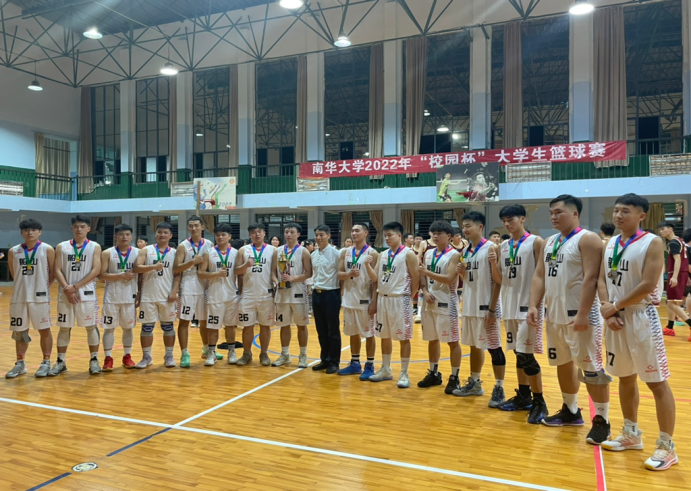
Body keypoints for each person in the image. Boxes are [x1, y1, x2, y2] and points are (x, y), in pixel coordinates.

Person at [598, 193, 678, 471]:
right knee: (625, 377)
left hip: (642, 317)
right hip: (615, 317)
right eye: (616, 210)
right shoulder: (610, 243)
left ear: (641, 216)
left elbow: (648, 284)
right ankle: (631, 434)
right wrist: (608, 310)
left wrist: (614, 306)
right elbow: (602, 279)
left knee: (656, 382)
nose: (618, 215)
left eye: (626, 211)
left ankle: (667, 447)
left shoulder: (652, 242)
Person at [527, 194, 611, 445]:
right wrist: (533, 305)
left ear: (575, 214)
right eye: (551, 213)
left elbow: (592, 278)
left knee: (592, 369)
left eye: (559, 212)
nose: (553, 217)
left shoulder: (588, 239)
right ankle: (571, 410)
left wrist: (583, 313)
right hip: (554, 315)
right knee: (562, 363)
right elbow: (539, 275)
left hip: (581, 316)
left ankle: (602, 421)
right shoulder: (549, 241)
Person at [493, 205, 548, 424]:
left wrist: (537, 305)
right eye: (504, 221)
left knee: (526, 355)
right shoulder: (503, 246)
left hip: (528, 307)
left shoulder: (536, 242)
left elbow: (542, 275)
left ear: (523, 219)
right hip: (509, 305)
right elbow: (500, 279)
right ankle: (524, 395)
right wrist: (493, 264)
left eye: (511, 219)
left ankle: (539, 401)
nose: (507, 224)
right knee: (518, 353)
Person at [453, 212, 505, 406]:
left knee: (494, 348)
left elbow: (498, 281)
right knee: (474, 346)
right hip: (469, 306)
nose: (465, 229)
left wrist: (492, 309)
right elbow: (471, 279)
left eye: (468, 226)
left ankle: (499, 388)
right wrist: (463, 274)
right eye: (463, 226)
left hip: (487, 307)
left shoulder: (492, 248)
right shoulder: (465, 251)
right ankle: (475, 382)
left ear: (480, 227)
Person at [368, 222, 419, 388]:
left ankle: (404, 372)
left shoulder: (408, 254)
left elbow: (416, 279)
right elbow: (375, 278)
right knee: (384, 335)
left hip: (400, 299)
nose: (387, 238)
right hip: (383, 299)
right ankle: (385, 368)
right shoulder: (383, 255)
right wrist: (367, 265)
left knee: (403, 337)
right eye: (385, 235)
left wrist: (408, 297)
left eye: (390, 235)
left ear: (399, 235)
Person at [51, 215, 103, 376]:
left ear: (88, 228)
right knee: (64, 327)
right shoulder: (62, 246)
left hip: (86, 292)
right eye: (76, 226)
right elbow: (57, 269)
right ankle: (60, 361)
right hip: (65, 292)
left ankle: (94, 360)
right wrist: (67, 288)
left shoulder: (94, 246)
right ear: (72, 228)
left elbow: (96, 270)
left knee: (90, 326)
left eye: (82, 226)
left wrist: (75, 287)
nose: (79, 229)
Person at [6, 218, 55, 378]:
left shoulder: (47, 249)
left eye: (34, 230)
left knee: (44, 329)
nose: (30, 233)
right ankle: (20, 363)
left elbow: (53, 272)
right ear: (21, 232)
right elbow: (14, 273)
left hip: (39, 297)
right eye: (26, 230)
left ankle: (46, 362)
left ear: (39, 232)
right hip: (19, 296)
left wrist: (44, 287)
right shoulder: (13, 251)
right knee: (20, 331)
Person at [417, 220, 462, 393]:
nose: (435, 236)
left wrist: (427, 272)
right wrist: (424, 291)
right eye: (433, 233)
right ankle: (434, 373)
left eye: (439, 233)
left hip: (446, 302)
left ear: (449, 236)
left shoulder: (455, 255)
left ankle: (455, 377)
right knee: (432, 339)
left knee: (452, 341)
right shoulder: (428, 253)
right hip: (429, 302)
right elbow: (422, 276)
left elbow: (450, 279)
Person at [173, 215, 219, 368]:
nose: (194, 228)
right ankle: (184, 353)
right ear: (188, 228)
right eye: (191, 226)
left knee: (205, 321)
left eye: (196, 225)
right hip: (188, 285)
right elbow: (176, 268)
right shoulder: (183, 246)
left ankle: (206, 349)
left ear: (203, 227)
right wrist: (192, 262)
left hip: (205, 285)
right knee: (184, 321)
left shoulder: (210, 244)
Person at [133, 222, 178, 368]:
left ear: (170, 235)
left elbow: (178, 274)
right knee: (146, 328)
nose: (162, 235)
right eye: (159, 232)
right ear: (155, 234)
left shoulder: (175, 252)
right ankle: (146, 357)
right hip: (148, 296)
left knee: (168, 327)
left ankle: (169, 356)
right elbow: (137, 268)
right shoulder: (146, 250)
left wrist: (174, 291)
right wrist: (153, 267)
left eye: (165, 232)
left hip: (167, 296)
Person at [337, 223, 379, 379]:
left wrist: (374, 302)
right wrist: (349, 274)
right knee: (352, 333)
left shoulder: (372, 253)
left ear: (366, 233)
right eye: (352, 230)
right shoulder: (345, 252)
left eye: (357, 230)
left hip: (365, 300)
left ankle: (370, 365)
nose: (354, 233)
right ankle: (355, 363)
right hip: (349, 299)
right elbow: (339, 274)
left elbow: (376, 280)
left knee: (369, 334)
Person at [235, 223, 276, 366]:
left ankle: (264, 353)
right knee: (247, 326)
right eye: (253, 232)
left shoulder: (273, 250)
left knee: (265, 326)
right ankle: (246, 353)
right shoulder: (243, 250)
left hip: (266, 294)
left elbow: (275, 271)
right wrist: (245, 265)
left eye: (259, 231)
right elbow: (236, 271)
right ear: (249, 235)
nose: (256, 234)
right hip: (248, 295)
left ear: (264, 233)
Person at [99, 223, 139, 371]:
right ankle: (108, 358)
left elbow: (141, 276)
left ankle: (127, 356)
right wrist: (121, 275)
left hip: (130, 296)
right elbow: (101, 275)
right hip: (111, 297)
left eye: (127, 234)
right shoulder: (107, 253)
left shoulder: (138, 253)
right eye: (121, 234)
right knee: (109, 328)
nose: (124, 237)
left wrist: (139, 293)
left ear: (132, 236)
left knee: (128, 328)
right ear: (115, 236)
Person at [198, 223, 239, 366]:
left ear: (230, 236)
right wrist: (216, 274)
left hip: (232, 295)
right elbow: (200, 273)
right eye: (217, 235)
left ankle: (232, 352)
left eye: (223, 235)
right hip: (214, 295)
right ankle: (211, 353)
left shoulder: (236, 253)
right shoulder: (208, 253)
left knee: (230, 326)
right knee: (213, 326)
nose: (220, 237)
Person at [272, 222, 312, 368]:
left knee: (301, 325)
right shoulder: (278, 251)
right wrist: (277, 282)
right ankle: (285, 354)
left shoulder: (303, 251)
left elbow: (309, 273)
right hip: (282, 293)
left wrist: (292, 278)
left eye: (292, 232)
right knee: (283, 325)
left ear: (298, 234)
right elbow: (272, 272)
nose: (288, 234)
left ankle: (303, 355)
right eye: (287, 232)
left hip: (298, 293)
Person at [310, 225, 342, 373]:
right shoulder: (313, 255)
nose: (318, 238)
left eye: (321, 235)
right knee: (321, 330)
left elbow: (341, 275)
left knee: (333, 331)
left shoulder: (336, 254)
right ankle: (325, 359)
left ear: (329, 236)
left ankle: (334, 362)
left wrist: (339, 294)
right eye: (316, 235)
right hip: (316, 294)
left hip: (331, 294)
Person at [658, 221, 690, 336]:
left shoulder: (673, 243)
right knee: (672, 301)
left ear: (670, 229)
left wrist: (675, 276)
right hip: (682, 273)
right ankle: (670, 327)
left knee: (671, 303)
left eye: (663, 229)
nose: (661, 231)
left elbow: (678, 259)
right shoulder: (680, 241)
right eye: (660, 229)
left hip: (677, 273)